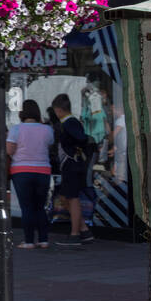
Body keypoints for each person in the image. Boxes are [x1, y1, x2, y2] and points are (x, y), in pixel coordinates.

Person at [6, 99, 55, 249]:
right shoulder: (47, 129)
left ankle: (28, 241)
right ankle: (43, 239)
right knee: (40, 207)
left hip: (21, 171)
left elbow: (9, 151)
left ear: (22, 113)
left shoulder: (16, 129)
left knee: (26, 207)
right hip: (43, 171)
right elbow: (50, 145)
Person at [50, 93, 93, 246]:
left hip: (71, 165)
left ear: (58, 110)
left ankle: (75, 234)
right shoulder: (69, 122)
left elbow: (81, 138)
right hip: (71, 164)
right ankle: (84, 229)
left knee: (72, 198)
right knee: (66, 197)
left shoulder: (69, 123)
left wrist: (75, 147)